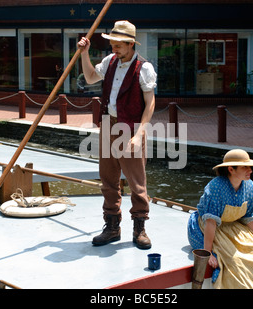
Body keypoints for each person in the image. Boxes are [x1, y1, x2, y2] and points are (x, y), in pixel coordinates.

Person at [77, 20, 157, 249]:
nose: (114, 47)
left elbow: (150, 104)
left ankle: (139, 228)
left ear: (131, 44)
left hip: (130, 129)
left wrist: (139, 133)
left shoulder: (144, 68)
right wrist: (85, 53)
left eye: (119, 44)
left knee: (136, 182)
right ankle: (112, 227)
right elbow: (91, 78)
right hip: (108, 125)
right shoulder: (109, 62)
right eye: (112, 42)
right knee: (108, 179)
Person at [187, 149, 253, 289]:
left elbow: (250, 217)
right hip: (207, 227)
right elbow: (210, 222)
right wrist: (208, 253)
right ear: (231, 169)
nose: (250, 170)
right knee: (234, 260)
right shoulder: (215, 187)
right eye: (245, 167)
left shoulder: (249, 185)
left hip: (233, 226)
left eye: (249, 167)